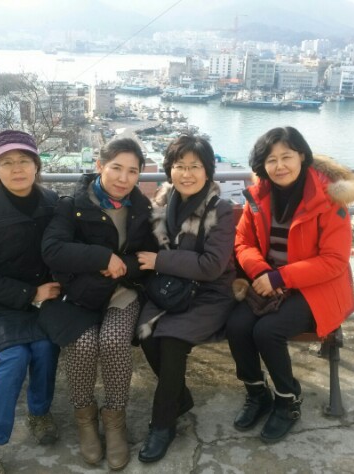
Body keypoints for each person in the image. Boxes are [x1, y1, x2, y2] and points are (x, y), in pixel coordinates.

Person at [226, 126, 354, 443]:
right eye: (271, 160)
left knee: (267, 331)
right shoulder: (259, 196)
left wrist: (279, 277)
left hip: (316, 288)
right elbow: (242, 242)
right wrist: (262, 272)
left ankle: (288, 400)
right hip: (267, 280)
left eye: (286, 156)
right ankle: (257, 393)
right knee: (236, 326)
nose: (279, 166)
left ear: (302, 156)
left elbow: (334, 260)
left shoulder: (329, 198)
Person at [39, 137, 155, 471]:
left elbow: (149, 256)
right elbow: (53, 250)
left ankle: (115, 420)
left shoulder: (141, 208)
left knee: (114, 340)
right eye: (116, 168)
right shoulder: (73, 204)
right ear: (100, 165)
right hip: (79, 294)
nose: (123, 178)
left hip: (121, 292)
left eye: (132, 171)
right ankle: (85, 418)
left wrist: (124, 265)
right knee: (83, 343)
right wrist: (102, 257)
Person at [0, 130, 61, 473]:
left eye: (24, 160)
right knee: (15, 356)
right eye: (6, 162)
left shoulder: (53, 203)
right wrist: (30, 294)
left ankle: (39, 412)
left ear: (36, 166)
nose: (17, 168)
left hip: (43, 301)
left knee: (45, 349)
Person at [135, 134, 236, 463]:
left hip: (210, 293)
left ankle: (162, 424)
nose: (187, 173)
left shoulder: (221, 210)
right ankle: (180, 398)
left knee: (171, 341)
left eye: (195, 166)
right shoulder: (163, 203)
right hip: (171, 288)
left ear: (208, 171)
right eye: (180, 166)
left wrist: (160, 261)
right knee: (146, 335)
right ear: (170, 170)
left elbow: (212, 266)